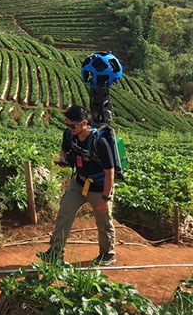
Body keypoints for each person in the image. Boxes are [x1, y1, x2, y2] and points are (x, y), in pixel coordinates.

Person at [37, 105, 116, 266]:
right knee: (64, 213)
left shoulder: (99, 142)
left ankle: (107, 253)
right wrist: (63, 159)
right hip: (78, 182)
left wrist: (105, 198)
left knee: (103, 220)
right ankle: (55, 252)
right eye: (67, 124)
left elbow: (110, 172)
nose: (69, 128)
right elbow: (64, 149)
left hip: (99, 187)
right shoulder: (69, 134)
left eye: (73, 125)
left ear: (84, 123)